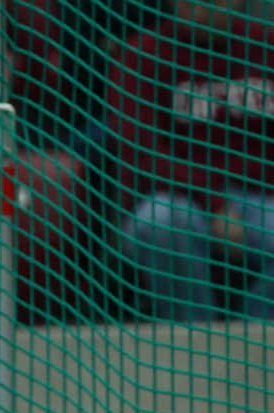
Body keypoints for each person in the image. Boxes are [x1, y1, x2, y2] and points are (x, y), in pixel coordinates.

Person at [108, 0, 274, 322]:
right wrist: (215, 204)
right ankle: (194, 340)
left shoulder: (267, 47)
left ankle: (249, 338)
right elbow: (142, 154)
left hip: (261, 199)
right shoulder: (141, 54)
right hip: (179, 199)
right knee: (159, 222)